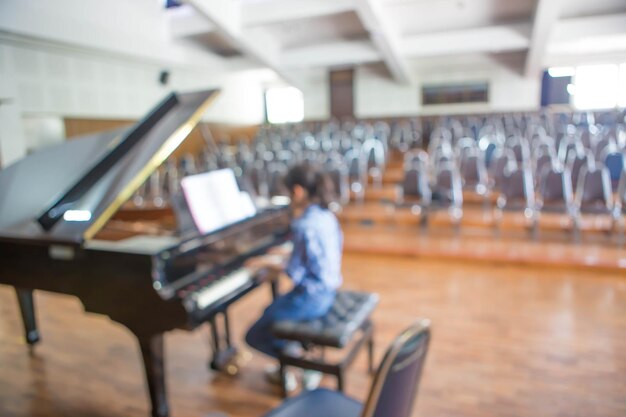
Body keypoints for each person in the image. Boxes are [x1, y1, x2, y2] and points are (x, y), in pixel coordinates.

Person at [244, 162, 343, 390]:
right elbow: (316, 254)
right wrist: (285, 252)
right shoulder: (326, 215)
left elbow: (294, 271)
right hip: (329, 291)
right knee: (271, 313)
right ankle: (293, 359)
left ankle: (294, 363)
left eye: (288, 193)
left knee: (255, 333)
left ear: (297, 191)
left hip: (312, 297)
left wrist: (262, 261)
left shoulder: (304, 224)